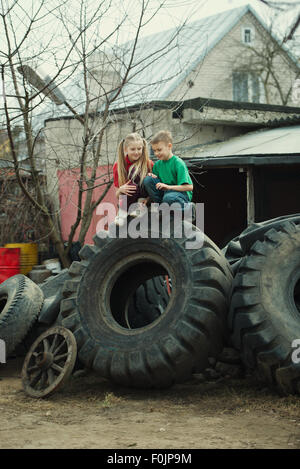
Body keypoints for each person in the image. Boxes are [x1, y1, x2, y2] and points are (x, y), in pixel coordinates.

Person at [143, 130, 194, 215]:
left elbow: (189, 187)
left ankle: (189, 209)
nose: (156, 153)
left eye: (159, 150)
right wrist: (147, 200)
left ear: (169, 146)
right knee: (148, 179)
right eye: (154, 150)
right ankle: (161, 209)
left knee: (169, 198)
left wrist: (168, 187)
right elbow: (155, 187)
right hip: (165, 195)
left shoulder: (178, 163)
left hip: (180, 195)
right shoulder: (157, 165)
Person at [113, 132, 153, 225]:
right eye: (132, 149)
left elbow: (154, 186)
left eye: (139, 149)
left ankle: (140, 208)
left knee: (137, 171)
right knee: (128, 185)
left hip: (144, 198)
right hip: (129, 197)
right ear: (126, 149)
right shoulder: (118, 166)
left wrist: (148, 199)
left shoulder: (148, 164)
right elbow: (117, 195)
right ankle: (122, 213)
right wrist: (120, 189)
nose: (136, 152)